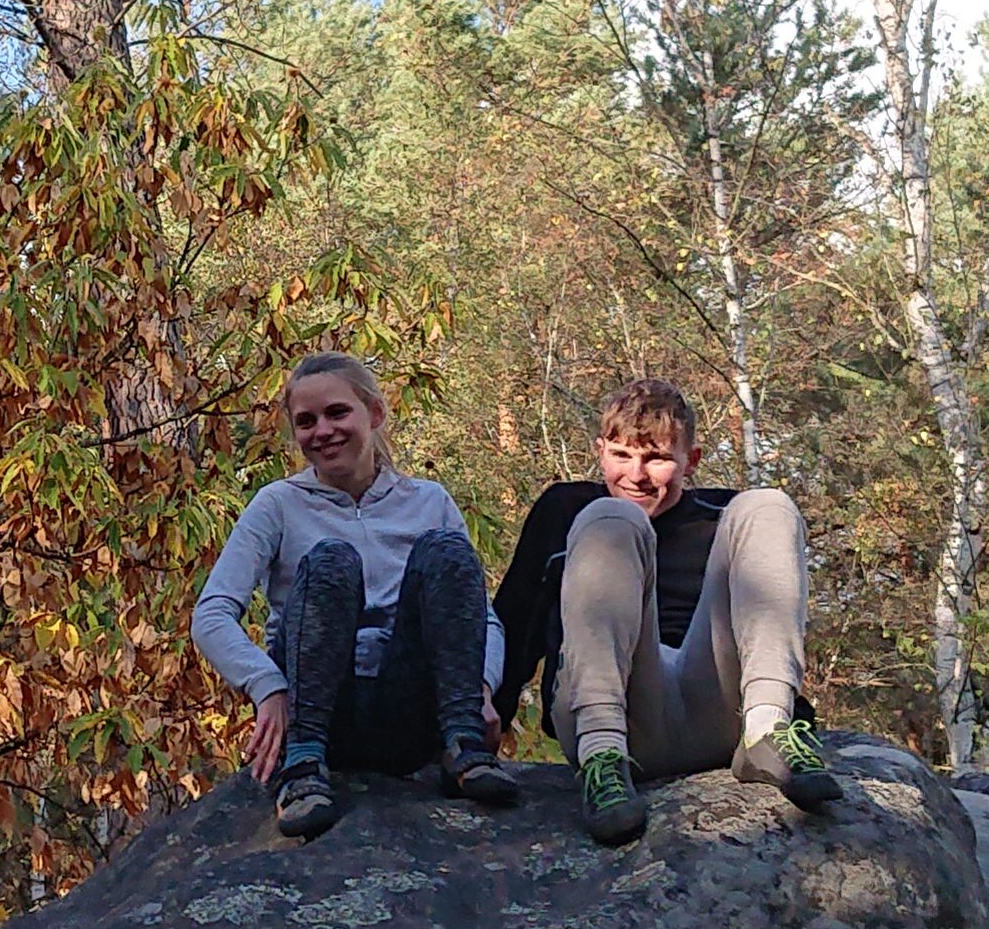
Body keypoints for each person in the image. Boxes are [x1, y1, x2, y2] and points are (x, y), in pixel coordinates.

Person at [491, 376, 838, 849]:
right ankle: (603, 762)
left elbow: (767, 611)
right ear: (600, 451)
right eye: (621, 455)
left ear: (689, 461)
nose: (635, 475)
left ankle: (768, 730)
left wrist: (793, 708)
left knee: (768, 505)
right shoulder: (566, 509)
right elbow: (515, 621)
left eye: (655, 458)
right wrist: (478, 732)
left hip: (714, 708)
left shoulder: (720, 517)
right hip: (616, 713)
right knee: (610, 517)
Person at [191, 348, 516, 843]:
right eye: (306, 421)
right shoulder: (278, 504)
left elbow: (482, 619)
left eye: (337, 413)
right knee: (330, 561)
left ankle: (463, 744)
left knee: (447, 551)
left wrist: (482, 689)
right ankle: (302, 769)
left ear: (375, 414)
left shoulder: (427, 501)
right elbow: (212, 615)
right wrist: (267, 686)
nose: (322, 431)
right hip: (318, 705)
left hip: (408, 708)